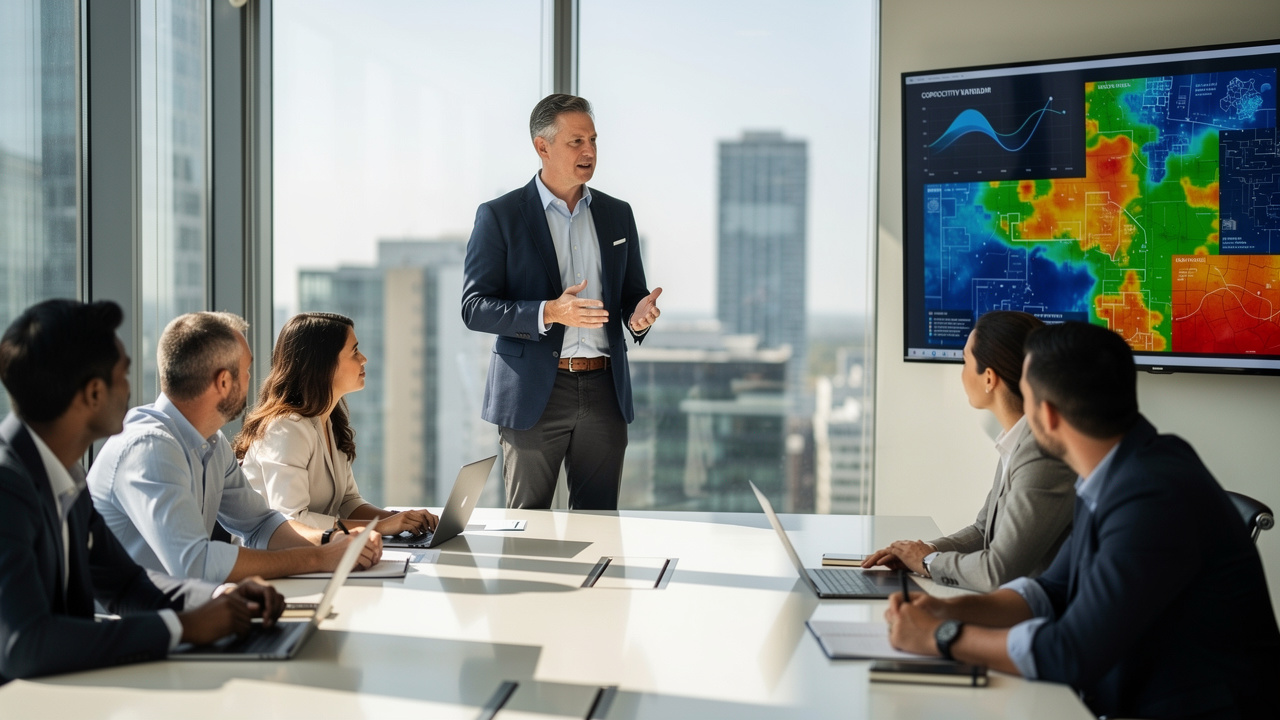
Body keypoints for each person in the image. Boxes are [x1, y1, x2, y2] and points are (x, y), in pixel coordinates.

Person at [885, 322, 1280, 719]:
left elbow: (1071, 653)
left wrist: (941, 637)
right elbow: (1048, 592)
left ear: (1048, 416)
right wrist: (946, 611)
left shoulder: (1151, 496)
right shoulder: (1118, 471)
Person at [0, 300, 283, 681]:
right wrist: (181, 628)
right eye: (124, 375)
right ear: (93, 393)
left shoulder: (65, 474)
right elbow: (25, 644)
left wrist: (217, 600)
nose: (132, 390)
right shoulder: (7, 488)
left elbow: (126, 583)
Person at [461, 93, 662, 510]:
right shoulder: (500, 215)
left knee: (600, 522)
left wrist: (639, 317)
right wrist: (550, 311)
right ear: (543, 147)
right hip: (534, 393)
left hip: (605, 390)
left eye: (593, 140)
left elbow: (630, 296)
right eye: (576, 142)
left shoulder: (617, 214)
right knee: (526, 529)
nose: (589, 151)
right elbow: (475, 306)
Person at [87, 312, 382, 584]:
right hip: (132, 627)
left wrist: (331, 541)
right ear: (224, 382)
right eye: (247, 370)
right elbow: (195, 563)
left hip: (186, 610)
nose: (252, 379)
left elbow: (261, 525)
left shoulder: (212, 444)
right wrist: (320, 558)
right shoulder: (149, 448)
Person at [862, 311, 1075, 591]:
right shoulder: (1019, 440)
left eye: (965, 361)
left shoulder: (1041, 452)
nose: (961, 373)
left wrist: (929, 562)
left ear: (989, 378)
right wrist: (921, 551)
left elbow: (997, 572)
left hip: (1040, 619)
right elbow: (982, 531)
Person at [234, 312, 438, 534]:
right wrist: (380, 527)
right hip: (280, 557)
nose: (364, 359)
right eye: (354, 351)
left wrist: (402, 520)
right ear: (324, 364)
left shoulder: (328, 420)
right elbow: (292, 518)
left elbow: (348, 502)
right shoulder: (285, 428)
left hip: (321, 552)